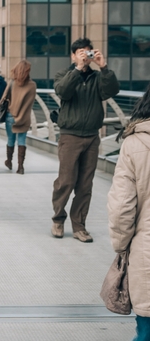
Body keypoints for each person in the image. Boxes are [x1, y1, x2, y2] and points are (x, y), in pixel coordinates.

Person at [107, 84, 150, 341]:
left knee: (148, 332)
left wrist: (122, 247)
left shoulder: (136, 143)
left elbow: (122, 207)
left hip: (147, 250)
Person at [51, 38, 119, 242]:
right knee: (66, 181)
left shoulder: (98, 77)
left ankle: (79, 226)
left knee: (85, 185)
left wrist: (104, 67)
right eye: (80, 52)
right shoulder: (64, 74)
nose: (84, 56)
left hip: (91, 136)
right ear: (73, 55)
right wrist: (78, 69)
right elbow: (63, 91)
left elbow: (112, 90)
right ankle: (58, 219)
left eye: (88, 52)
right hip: (70, 136)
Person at [3, 60, 36, 175]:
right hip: (25, 117)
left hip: (11, 116)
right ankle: (21, 167)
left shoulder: (12, 83)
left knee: (11, 140)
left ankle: (9, 161)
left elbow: (4, 98)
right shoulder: (32, 85)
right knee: (22, 140)